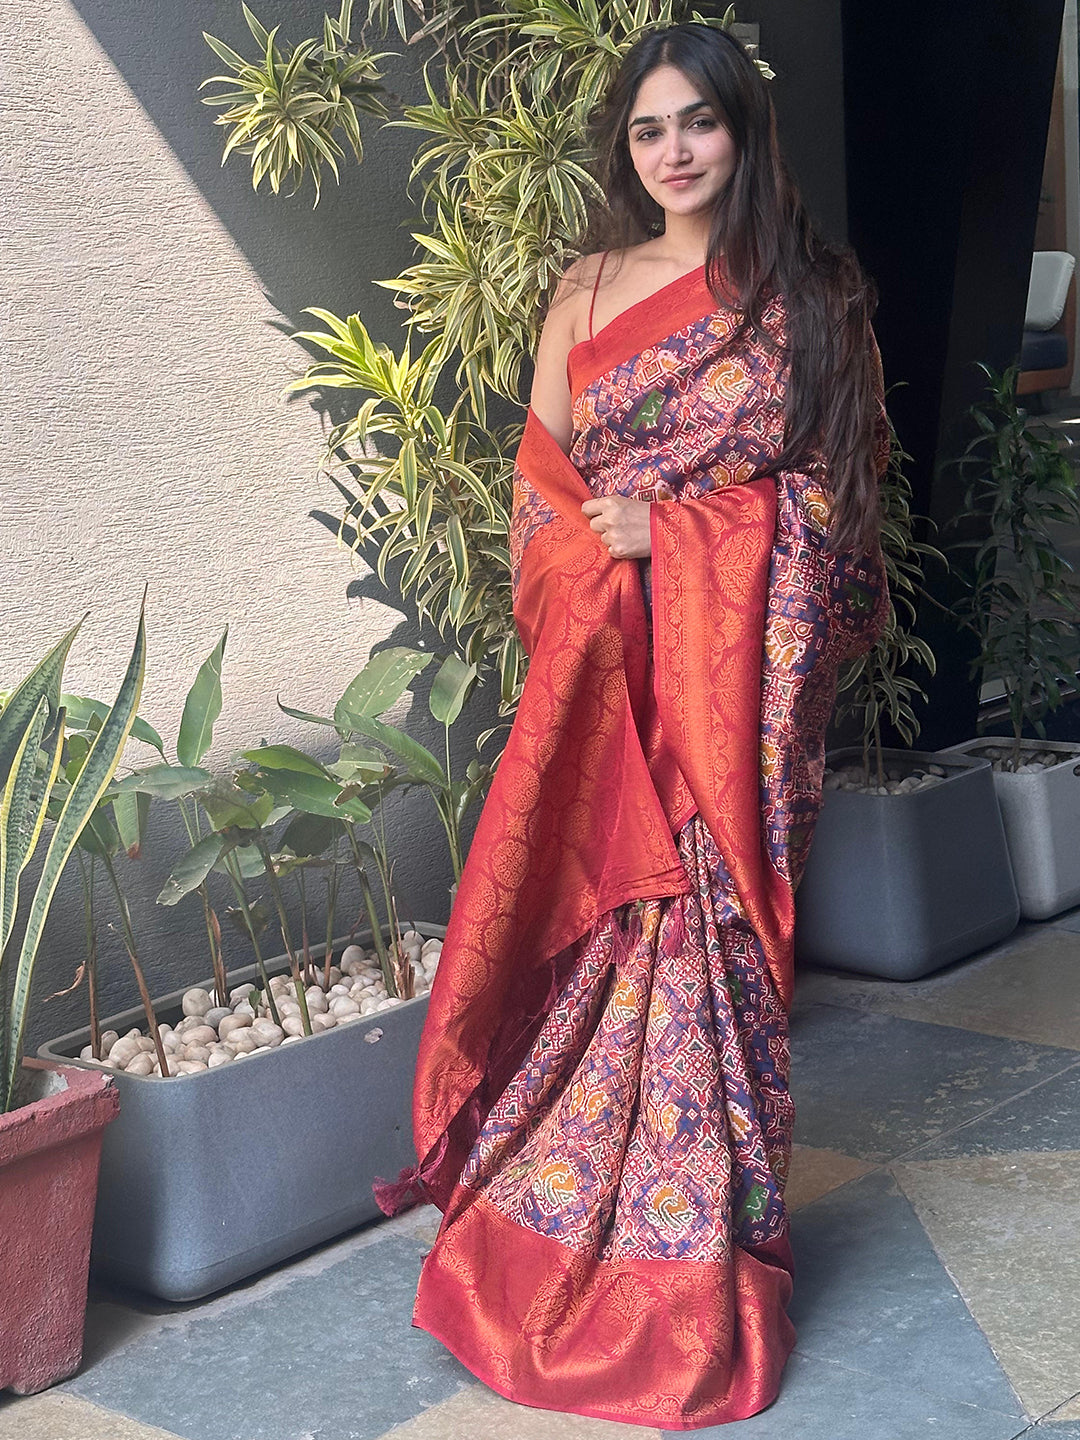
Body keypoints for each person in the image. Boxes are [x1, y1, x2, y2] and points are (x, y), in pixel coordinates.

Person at [378, 22, 890, 1430]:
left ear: (742, 132)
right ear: (624, 145)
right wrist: (597, 562)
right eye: (649, 130)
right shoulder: (585, 286)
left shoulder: (812, 296)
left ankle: (700, 1279)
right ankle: (542, 1252)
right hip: (610, 684)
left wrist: (676, 530)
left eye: (699, 126)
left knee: (710, 959)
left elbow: (842, 524)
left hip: (733, 700)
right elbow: (541, 492)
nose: (673, 153)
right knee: (609, 945)